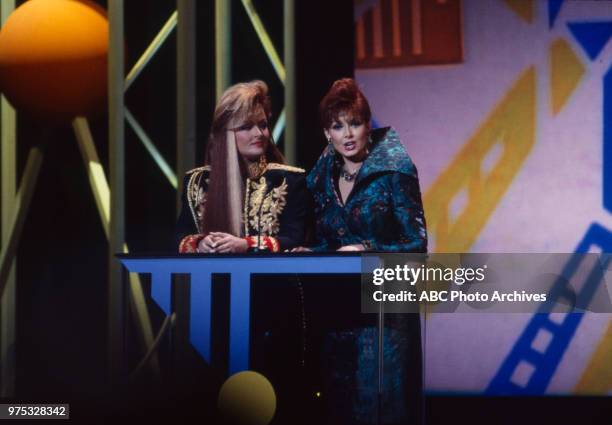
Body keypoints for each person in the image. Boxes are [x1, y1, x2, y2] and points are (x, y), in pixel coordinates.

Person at [298, 78, 427, 425]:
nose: (348, 134)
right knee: (339, 404)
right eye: (338, 126)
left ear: (368, 124)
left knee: (383, 405)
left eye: (354, 123)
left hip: (385, 310)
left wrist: (366, 248)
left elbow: (416, 243)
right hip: (338, 308)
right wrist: (311, 252)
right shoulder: (319, 178)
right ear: (327, 133)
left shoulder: (395, 171)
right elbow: (331, 239)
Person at [176, 80, 307, 253]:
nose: (259, 134)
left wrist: (246, 245)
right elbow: (179, 236)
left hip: (270, 278)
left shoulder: (287, 180)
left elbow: (296, 238)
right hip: (213, 278)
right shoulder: (196, 182)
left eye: (263, 125)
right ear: (225, 135)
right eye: (246, 127)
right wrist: (200, 244)